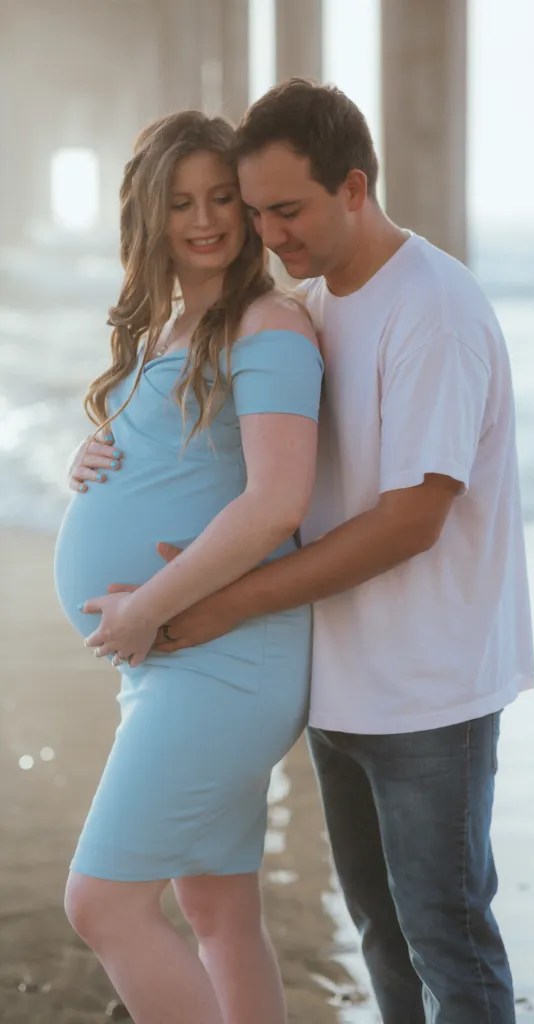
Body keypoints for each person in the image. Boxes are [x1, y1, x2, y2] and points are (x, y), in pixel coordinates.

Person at [73, 80, 534, 1023]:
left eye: (284, 210)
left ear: (354, 187)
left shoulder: (431, 309)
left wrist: (200, 605)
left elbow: (411, 518)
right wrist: (104, 453)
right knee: (381, 934)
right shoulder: (318, 300)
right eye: (257, 212)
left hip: (428, 685)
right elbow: (228, 445)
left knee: (445, 939)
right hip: (340, 670)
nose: (264, 233)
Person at [54, 109, 323, 1024]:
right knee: (217, 909)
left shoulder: (268, 325)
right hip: (180, 662)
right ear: (148, 214)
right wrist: (92, 459)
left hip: (223, 659)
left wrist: (143, 609)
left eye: (220, 198)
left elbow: (277, 501)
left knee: (101, 904)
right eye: (180, 203)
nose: (203, 219)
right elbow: (184, 460)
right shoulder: (172, 328)